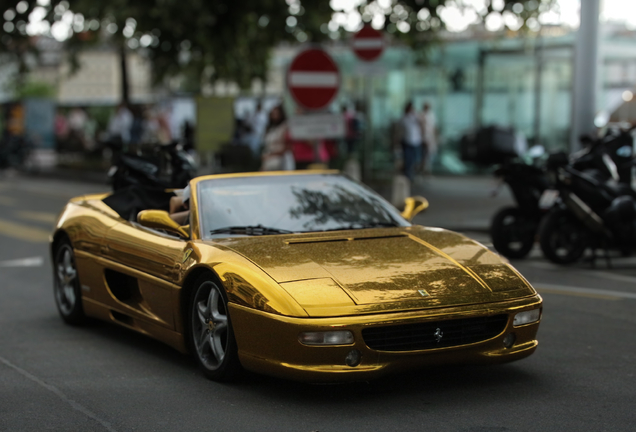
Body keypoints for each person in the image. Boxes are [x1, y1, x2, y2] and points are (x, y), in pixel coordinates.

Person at [261, 104, 295, 171]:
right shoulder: (270, 128)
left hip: (281, 160)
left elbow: (288, 147)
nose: (274, 116)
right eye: (272, 114)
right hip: (268, 159)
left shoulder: (285, 127)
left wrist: (271, 155)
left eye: (276, 113)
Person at [399, 101, 424, 182]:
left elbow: (422, 124)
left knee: (416, 159)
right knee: (408, 159)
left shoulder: (416, 117)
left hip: (416, 141)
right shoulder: (404, 118)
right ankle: (408, 175)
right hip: (407, 141)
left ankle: (412, 174)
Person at [419, 102, 437, 174]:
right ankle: (423, 169)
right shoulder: (421, 115)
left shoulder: (432, 115)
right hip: (423, 137)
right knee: (423, 154)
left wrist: (435, 136)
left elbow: (434, 127)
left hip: (430, 136)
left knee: (429, 153)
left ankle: (427, 169)